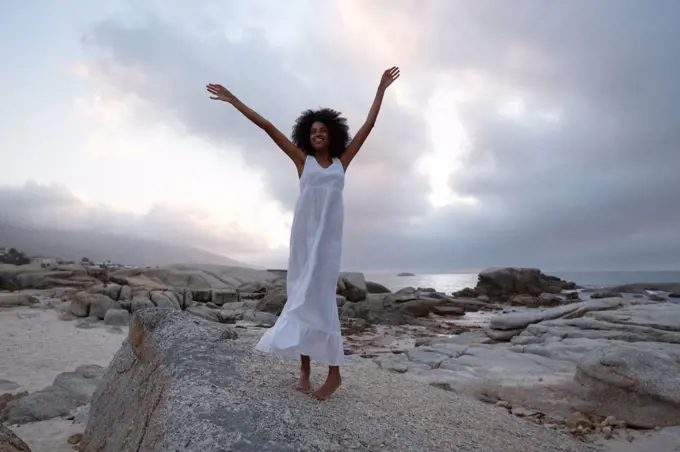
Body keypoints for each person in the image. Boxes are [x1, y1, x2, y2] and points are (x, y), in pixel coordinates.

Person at [206, 66, 400, 400]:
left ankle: (335, 374)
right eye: (312, 131)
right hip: (302, 241)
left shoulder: (343, 161)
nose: (317, 134)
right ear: (306, 137)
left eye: (323, 130)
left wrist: (381, 88)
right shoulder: (302, 161)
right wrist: (233, 100)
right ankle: (305, 369)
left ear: (332, 134)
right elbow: (268, 127)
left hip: (327, 244)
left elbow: (368, 126)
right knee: (299, 299)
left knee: (321, 301)